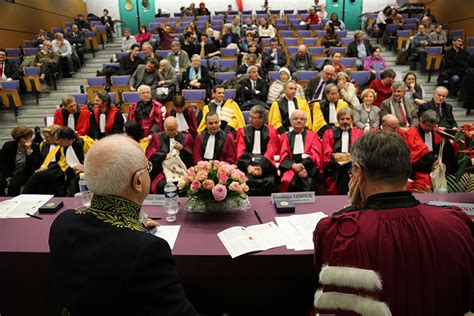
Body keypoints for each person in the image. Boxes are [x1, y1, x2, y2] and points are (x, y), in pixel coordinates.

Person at [312, 130, 473, 316]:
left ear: (357, 171)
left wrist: (355, 210)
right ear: (408, 168)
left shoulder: (338, 231)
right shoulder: (456, 222)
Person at [49, 134, 197, 315]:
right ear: (138, 181)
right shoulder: (147, 250)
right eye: (147, 167)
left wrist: (138, 222)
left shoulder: (63, 222)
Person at [236, 105, 280, 195]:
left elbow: (271, 151)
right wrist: (249, 167)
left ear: (262, 119)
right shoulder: (242, 131)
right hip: (248, 165)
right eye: (250, 116)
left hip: (266, 166)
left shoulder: (271, 131)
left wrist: (261, 167)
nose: (250, 119)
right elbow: (240, 151)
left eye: (253, 117)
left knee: (269, 181)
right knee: (245, 180)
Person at [320, 108, 364, 194]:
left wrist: (350, 156)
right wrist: (334, 156)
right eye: (342, 119)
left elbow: (362, 151)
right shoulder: (329, 133)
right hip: (334, 165)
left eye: (347, 119)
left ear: (351, 120)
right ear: (338, 120)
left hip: (353, 164)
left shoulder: (358, 133)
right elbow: (326, 153)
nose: (345, 121)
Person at [147, 117, 194, 194]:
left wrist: (182, 149)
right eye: (169, 130)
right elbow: (151, 155)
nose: (172, 132)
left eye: (174, 130)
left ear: (177, 127)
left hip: (181, 170)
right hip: (163, 171)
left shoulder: (186, 137)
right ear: (164, 127)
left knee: (183, 184)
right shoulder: (157, 137)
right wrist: (164, 155)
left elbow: (190, 158)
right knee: (162, 185)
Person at [279, 110, 321, 192]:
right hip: (290, 168)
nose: (298, 121)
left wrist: (302, 166)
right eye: (295, 118)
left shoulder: (312, 136)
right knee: (287, 182)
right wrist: (293, 166)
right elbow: (283, 155)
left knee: (308, 185)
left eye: (301, 119)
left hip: (308, 169)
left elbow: (315, 155)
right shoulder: (285, 137)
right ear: (291, 121)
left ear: (305, 121)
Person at [0, 125, 41, 196]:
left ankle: (13, 201)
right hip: (9, 172)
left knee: (14, 184)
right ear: (18, 139)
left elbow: (36, 165)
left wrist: (29, 151)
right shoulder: (8, 146)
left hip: (24, 173)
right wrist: (7, 177)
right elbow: (3, 163)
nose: (29, 140)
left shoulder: (34, 147)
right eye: (25, 138)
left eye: (30, 137)